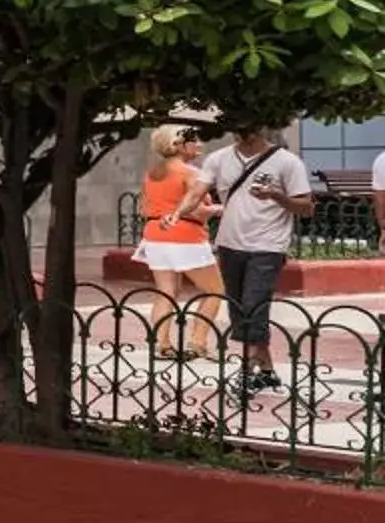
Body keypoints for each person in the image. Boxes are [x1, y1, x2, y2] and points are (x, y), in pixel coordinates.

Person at [198, 125, 313, 393]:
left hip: (268, 246)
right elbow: (197, 189)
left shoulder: (287, 162)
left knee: (254, 305)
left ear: (262, 127)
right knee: (240, 308)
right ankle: (268, 371)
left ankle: (247, 371)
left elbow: (306, 207)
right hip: (229, 244)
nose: (242, 132)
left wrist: (275, 195)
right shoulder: (220, 158)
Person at [133, 124, 225, 354]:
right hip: (186, 237)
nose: (199, 144)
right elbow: (195, 209)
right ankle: (198, 342)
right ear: (178, 145)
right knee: (214, 291)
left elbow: (143, 207)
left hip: (155, 235)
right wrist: (218, 209)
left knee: (167, 292)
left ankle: (161, 344)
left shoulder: (152, 173)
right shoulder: (190, 173)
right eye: (194, 140)